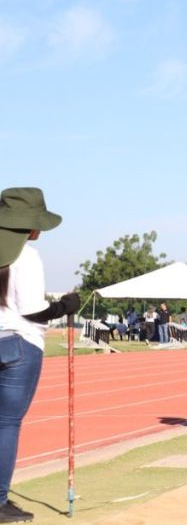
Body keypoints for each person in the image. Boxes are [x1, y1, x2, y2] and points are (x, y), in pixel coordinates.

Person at [0, 187, 79, 523]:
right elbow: (33, 311)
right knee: (6, 424)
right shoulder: (26, 257)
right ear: (29, 226)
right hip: (20, 345)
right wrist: (64, 307)